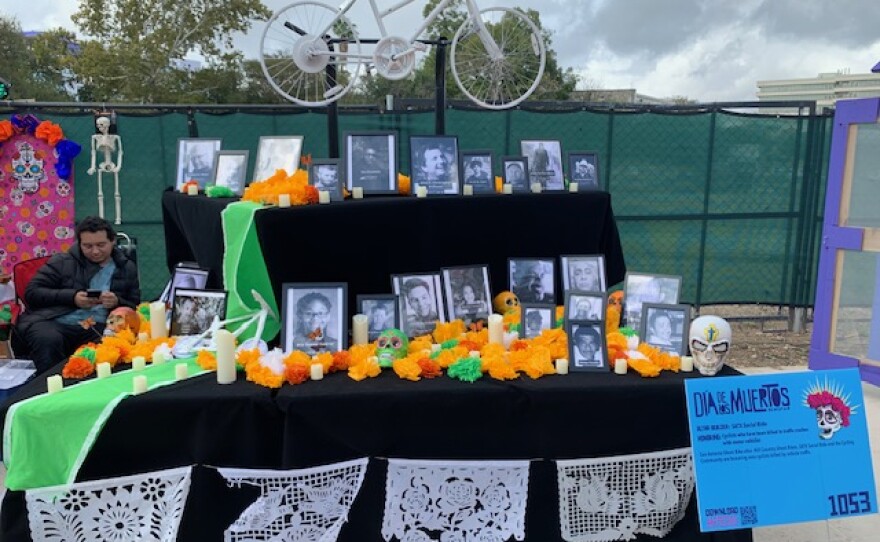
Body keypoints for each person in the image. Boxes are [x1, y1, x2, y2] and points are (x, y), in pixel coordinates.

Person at [15, 216, 140, 375]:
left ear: (113, 241)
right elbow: (32, 293)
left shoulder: (126, 267)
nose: (95, 251)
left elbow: (134, 305)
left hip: (102, 325)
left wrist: (116, 302)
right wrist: (72, 297)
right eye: (87, 246)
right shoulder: (62, 262)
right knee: (47, 339)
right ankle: (47, 387)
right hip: (54, 321)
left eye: (101, 245)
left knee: (112, 346)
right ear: (79, 244)